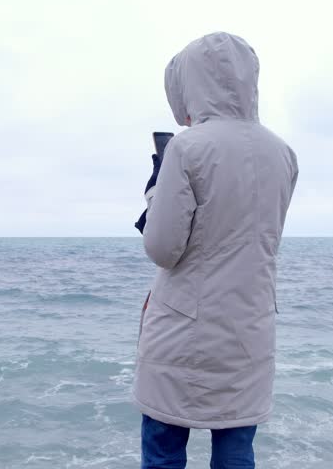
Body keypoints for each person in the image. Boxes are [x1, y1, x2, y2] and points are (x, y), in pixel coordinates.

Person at [133, 32, 299, 469]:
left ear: (189, 84)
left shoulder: (187, 148)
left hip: (184, 330)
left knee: (165, 449)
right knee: (236, 449)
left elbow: (163, 248)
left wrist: (154, 192)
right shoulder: (282, 153)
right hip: (250, 327)